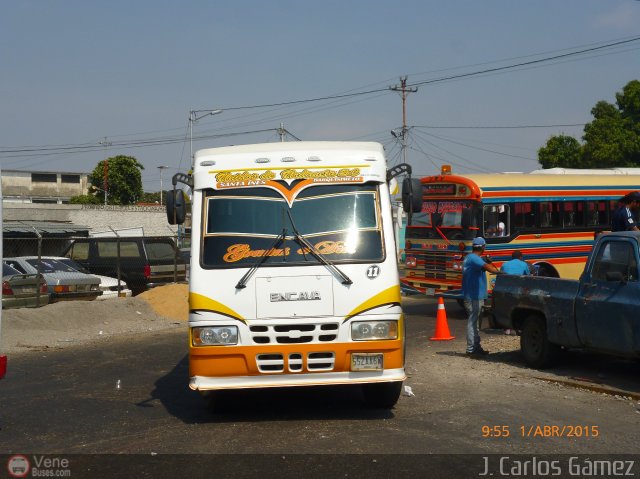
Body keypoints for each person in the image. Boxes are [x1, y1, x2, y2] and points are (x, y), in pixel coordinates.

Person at [462, 236, 501, 357]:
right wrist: (500, 272)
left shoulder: (471, 258)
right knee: (473, 322)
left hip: (473, 295)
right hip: (474, 296)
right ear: (482, 247)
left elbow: (481, 265)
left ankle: (476, 348)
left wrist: (485, 260)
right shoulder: (474, 258)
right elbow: (487, 267)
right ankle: (471, 349)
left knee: (476, 323)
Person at [499, 250, 529, 335]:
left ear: (511, 257)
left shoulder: (504, 264)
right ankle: (519, 328)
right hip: (518, 291)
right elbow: (528, 276)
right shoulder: (524, 264)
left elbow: (500, 276)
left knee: (507, 308)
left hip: (506, 291)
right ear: (520, 257)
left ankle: (507, 329)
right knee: (520, 308)